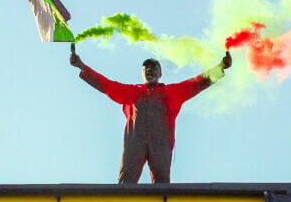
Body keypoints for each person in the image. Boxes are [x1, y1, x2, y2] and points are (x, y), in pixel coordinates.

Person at [70, 50, 231, 183]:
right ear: (141, 73)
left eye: (154, 67)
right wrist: (82, 66)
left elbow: (197, 83)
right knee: (126, 181)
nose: (149, 69)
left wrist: (221, 67)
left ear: (160, 73)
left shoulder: (170, 92)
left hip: (161, 142)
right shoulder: (132, 92)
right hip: (135, 141)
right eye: (146, 67)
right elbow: (107, 85)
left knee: (162, 182)